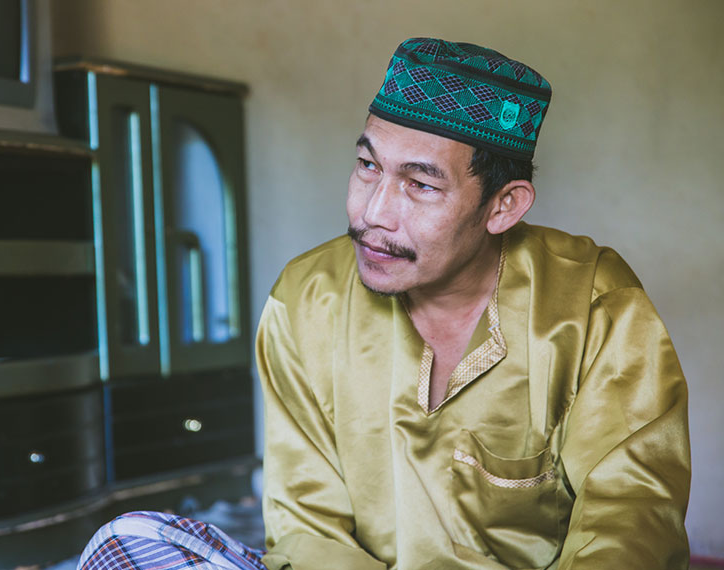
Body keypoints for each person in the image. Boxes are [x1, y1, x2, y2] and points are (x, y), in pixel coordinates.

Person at [76, 38, 690, 570]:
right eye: (368, 166)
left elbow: (629, 515)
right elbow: (308, 529)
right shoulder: (306, 299)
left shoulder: (591, 304)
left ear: (503, 206)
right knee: (129, 542)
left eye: (421, 185)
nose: (372, 213)